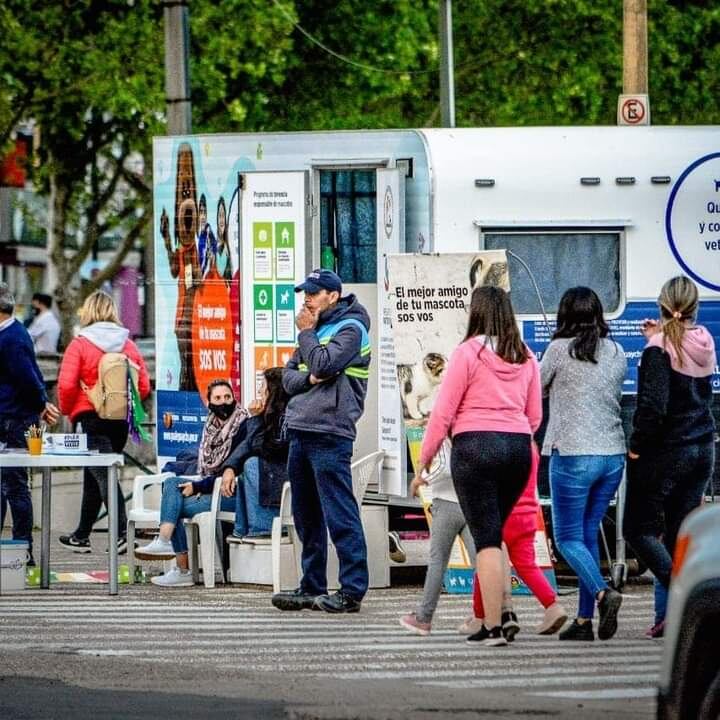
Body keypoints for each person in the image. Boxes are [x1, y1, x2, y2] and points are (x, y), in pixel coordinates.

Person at [418, 285, 541, 647]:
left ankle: (492, 625)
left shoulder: (467, 353)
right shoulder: (525, 355)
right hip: (518, 448)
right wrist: (514, 433)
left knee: (486, 539)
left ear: (476, 312)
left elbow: (443, 413)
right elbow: (534, 415)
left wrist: (425, 460)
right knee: (496, 533)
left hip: (475, 447)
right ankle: (504, 612)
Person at [271, 269, 371, 614]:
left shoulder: (351, 329)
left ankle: (352, 590)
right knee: (307, 516)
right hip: (301, 429)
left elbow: (323, 363)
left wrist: (308, 340)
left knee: (340, 514)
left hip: (330, 431)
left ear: (333, 295)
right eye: (305, 293)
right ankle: (311, 585)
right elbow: (287, 378)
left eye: (313, 293)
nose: (306, 299)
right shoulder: (316, 333)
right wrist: (311, 374)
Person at [624, 276, 716, 617]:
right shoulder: (704, 341)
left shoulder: (659, 348)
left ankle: (686, 599)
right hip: (702, 449)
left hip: (666, 451)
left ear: (662, 304)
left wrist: (635, 446)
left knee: (637, 529)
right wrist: (658, 335)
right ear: (694, 307)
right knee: (680, 533)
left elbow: (653, 408)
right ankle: (670, 619)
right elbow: (680, 350)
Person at [540, 286, 627, 641]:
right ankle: (583, 622)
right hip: (612, 457)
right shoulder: (617, 350)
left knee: (566, 538)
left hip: (574, 455)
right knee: (587, 533)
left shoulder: (559, 350)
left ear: (565, 315)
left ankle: (604, 593)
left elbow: (536, 386)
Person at [57, 291, 150, 554]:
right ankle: (81, 535)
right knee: (95, 475)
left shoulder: (80, 344)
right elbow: (143, 385)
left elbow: (65, 384)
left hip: (91, 418)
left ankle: (123, 534)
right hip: (119, 420)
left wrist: (69, 410)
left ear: (88, 311)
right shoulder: (127, 344)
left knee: (104, 475)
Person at [137, 379, 248, 587]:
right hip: (210, 488)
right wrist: (198, 485)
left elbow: (232, 472)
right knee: (172, 485)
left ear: (234, 399)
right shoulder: (210, 427)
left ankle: (178, 563)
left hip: (230, 494)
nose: (223, 402)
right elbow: (205, 467)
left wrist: (197, 487)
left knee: (172, 506)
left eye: (227, 397)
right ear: (209, 403)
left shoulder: (243, 426)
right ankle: (167, 544)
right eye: (218, 398)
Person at [468, 444, 568, 638]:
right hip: (528, 514)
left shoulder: (498, 443)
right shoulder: (530, 446)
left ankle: (480, 617)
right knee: (527, 566)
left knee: (487, 562)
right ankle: (552, 605)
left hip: (503, 514)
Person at [0, 283, 60, 565]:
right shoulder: (14, 335)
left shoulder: (11, 338)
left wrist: (40, 404)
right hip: (12, 416)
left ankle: (24, 548)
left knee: (15, 485)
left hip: (13, 419)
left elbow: (26, 378)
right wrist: (42, 403)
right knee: (7, 484)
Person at [398, 442, 477, 636]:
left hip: (446, 504)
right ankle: (488, 614)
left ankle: (423, 618)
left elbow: (443, 466)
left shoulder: (442, 427)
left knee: (438, 561)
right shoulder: (474, 426)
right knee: (482, 561)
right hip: (472, 502)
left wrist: (420, 479)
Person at [220, 367, 289, 540]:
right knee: (245, 468)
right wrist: (230, 467)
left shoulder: (287, 418)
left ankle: (261, 529)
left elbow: (261, 448)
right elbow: (246, 445)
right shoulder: (270, 417)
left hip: (283, 491)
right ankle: (242, 530)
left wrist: (255, 418)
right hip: (273, 486)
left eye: (262, 388)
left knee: (251, 464)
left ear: (272, 392)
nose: (259, 392)